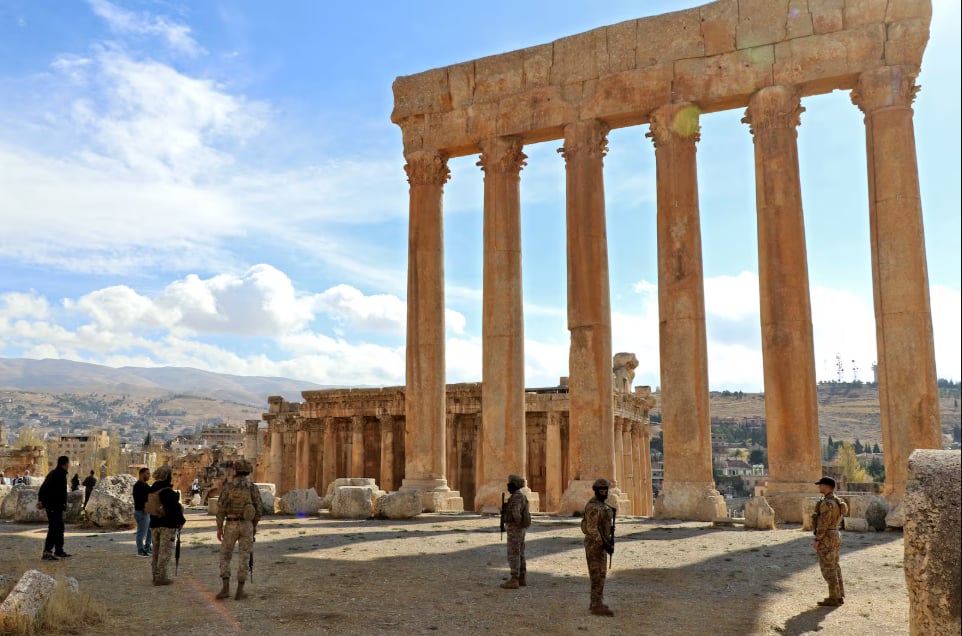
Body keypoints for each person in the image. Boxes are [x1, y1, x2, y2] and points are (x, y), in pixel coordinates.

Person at [215, 459, 262, 600]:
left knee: (225, 555)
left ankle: (225, 588)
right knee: (244, 556)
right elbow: (259, 509)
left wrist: (219, 527)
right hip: (247, 525)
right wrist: (254, 525)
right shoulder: (252, 488)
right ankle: (240, 591)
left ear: (235, 471)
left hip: (231, 523)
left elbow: (220, 508)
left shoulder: (228, 487)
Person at [581, 477, 615, 616]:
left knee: (601, 575)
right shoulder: (593, 506)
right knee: (596, 576)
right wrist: (605, 544)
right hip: (594, 546)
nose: (604, 493)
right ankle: (596, 605)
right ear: (596, 491)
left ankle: (597, 602)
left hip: (601, 545)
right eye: (601, 491)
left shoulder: (602, 505)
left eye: (605, 490)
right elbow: (592, 529)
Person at [812, 476, 848, 607]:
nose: (819, 487)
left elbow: (823, 523)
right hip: (835, 534)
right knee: (834, 566)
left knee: (828, 568)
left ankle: (833, 598)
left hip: (827, 537)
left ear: (827, 487)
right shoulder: (838, 501)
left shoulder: (827, 503)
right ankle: (839, 595)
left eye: (821, 485)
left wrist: (818, 539)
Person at [148, 465, 186, 586]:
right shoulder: (167, 491)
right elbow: (174, 509)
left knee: (155, 551)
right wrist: (181, 521)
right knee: (165, 552)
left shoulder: (152, 489)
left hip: (154, 524)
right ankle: (161, 577)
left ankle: (155, 575)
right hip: (167, 526)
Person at [499, 474, 531, 589]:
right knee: (520, 552)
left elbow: (516, 513)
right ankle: (521, 577)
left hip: (515, 529)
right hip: (519, 529)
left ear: (514, 485)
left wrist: (516, 524)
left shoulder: (517, 497)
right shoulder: (520, 496)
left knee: (513, 553)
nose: (508, 486)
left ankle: (514, 579)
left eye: (510, 484)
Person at [37, 455, 72, 561]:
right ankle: (47, 552)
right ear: (65, 464)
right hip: (53, 506)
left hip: (57, 506)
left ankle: (59, 550)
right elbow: (43, 488)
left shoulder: (58, 473)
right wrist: (41, 501)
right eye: (68, 463)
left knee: (60, 528)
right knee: (54, 528)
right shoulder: (57, 474)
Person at [132, 467, 153, 558]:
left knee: (150, 530)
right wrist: (145, 507)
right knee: (141, 532)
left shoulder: (145, 485)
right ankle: (140, 550)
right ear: (141, 474)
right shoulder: (138, 486)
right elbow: (139, 499)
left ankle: (147, 547)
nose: (149, 475)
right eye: (147, 473)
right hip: (142, 512)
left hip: (147, 512)